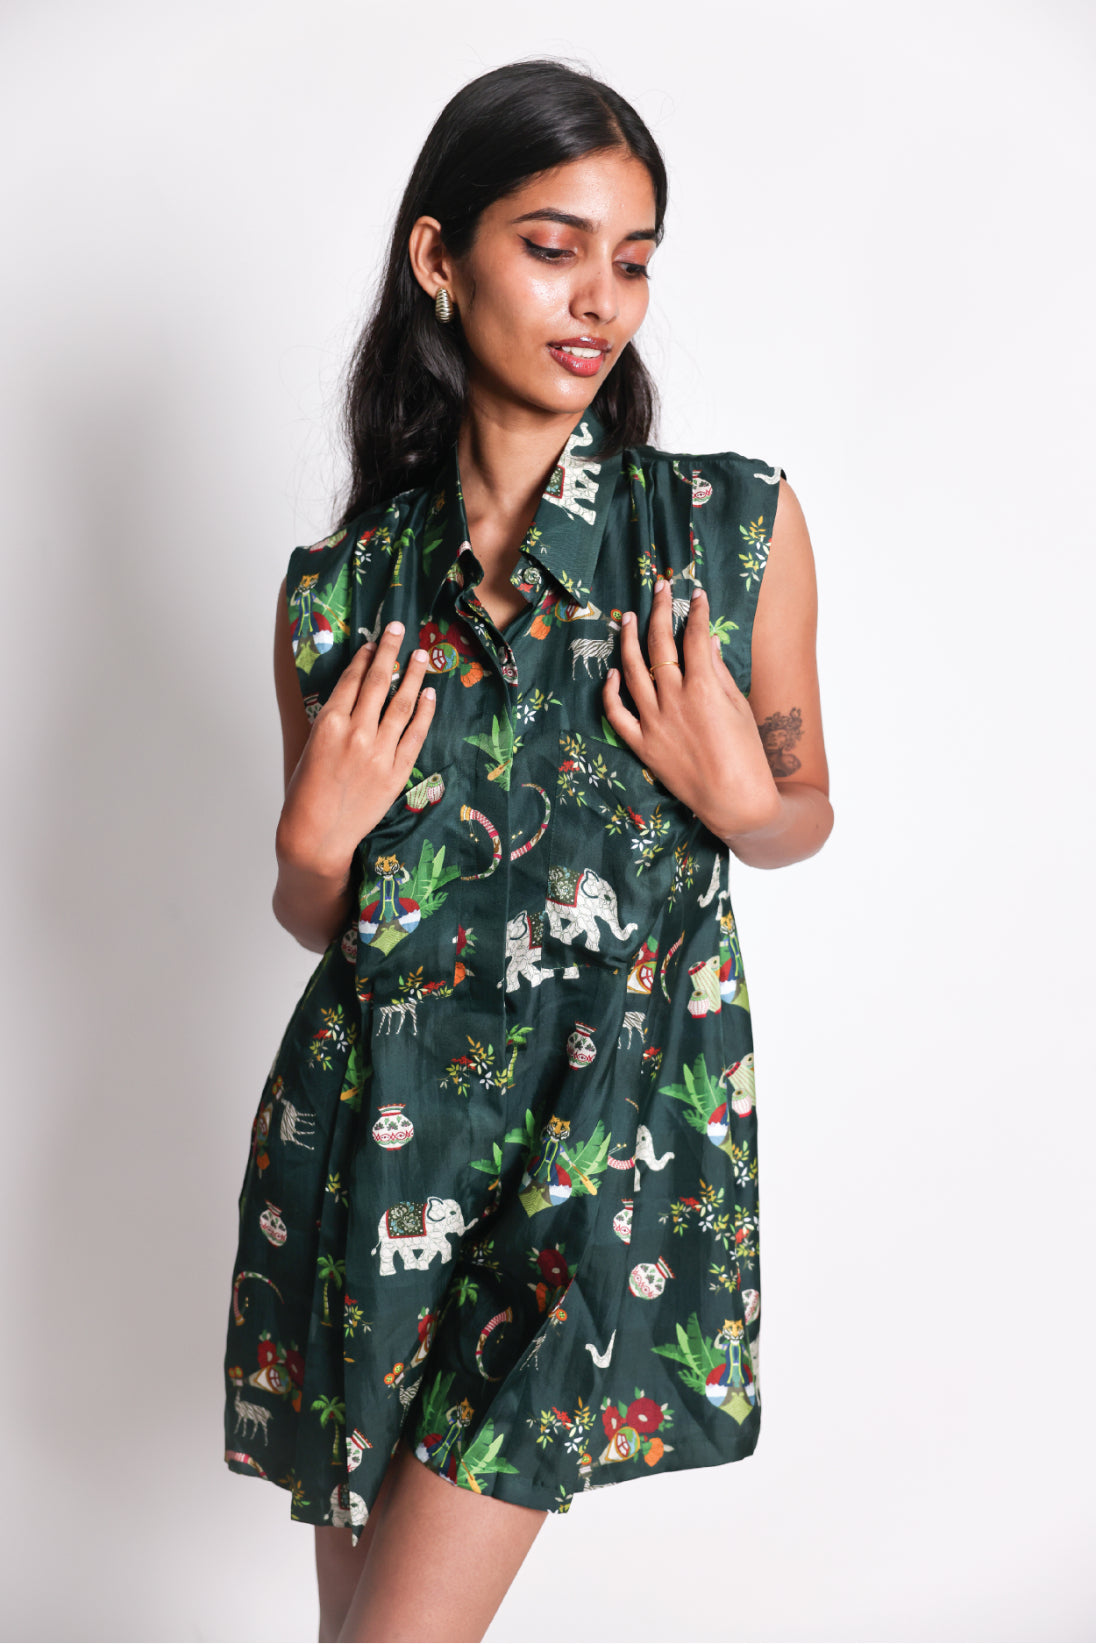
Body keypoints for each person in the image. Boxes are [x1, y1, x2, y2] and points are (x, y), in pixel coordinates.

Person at [222, 57, 833, 1644]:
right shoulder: (340, 593)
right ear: (442, 257)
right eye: (555, 247)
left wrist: (742, 799)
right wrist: (310, 845)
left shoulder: (727, 533)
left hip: (600, 1159)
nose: (600, 299)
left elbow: (801, 815)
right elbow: (324, 918)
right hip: (379, 1155)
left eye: (633, 259)